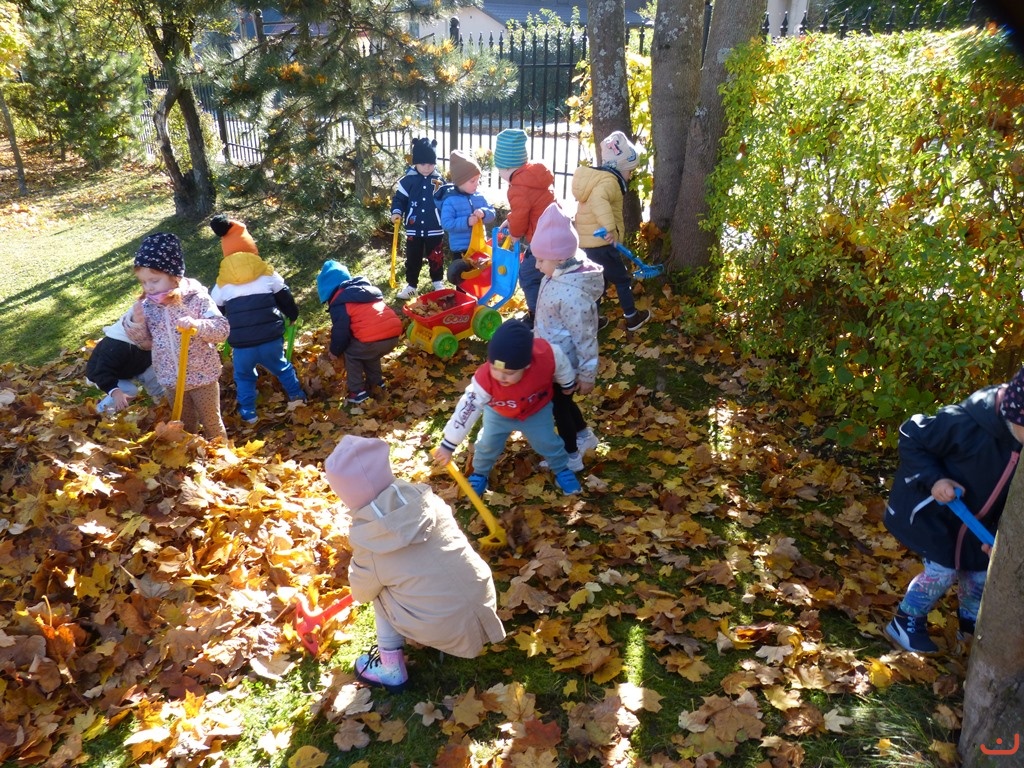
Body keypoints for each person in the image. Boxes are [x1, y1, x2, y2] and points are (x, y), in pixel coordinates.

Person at [323, 434, 506, 693]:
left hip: (443, 625)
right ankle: (464, 623)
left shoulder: (371, 542)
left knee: (378, 590)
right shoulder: (428, 499)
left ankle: (391, 667)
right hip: (482, 599)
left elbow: (361, 593)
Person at [882, 366, 1024, 653]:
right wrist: (935, 479)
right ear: (1014, 413)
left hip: (978, 525)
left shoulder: (1019, 441)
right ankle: (906, 619)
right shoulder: (965, 422)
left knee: (979, 574)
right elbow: (911, 435)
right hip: (938, 514)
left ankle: (970, 629)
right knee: (943, 570)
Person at [433, 318, 582, 496]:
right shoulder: (484, 379)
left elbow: (560, 362)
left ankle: (561, 469)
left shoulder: (546, 355)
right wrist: (449, 444)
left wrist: (567, 382)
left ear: (526, 365)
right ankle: (480, 473)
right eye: (495, 369)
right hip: (498, 413)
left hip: (535, 410)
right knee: (487, 444)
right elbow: (468, 408)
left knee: (547, 441)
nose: (501, 376)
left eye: (509, 373)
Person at [123, 232, 230, 440]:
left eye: (154, 280)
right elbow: (144, 343)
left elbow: (222, 330)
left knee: (211, 422)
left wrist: (197, 325)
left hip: (202, 376)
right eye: (143, 282)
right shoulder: (148, 306)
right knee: (183, 424)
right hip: (170, 378)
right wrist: (136, 323)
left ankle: (222, 454)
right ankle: (190, 454)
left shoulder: (197, 299)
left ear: (174, 276)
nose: (149, 287)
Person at [209, 214, 306, 425]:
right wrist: (292, 315)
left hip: (242, 344)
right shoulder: (267, 273)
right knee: (282, 367)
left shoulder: (222, 282)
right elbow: (285, 297)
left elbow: (216, 310)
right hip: (270, 337)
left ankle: (248, 412)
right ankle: (297, 396)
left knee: (244, 376)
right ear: (251, 247)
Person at [531, 203, 604, 473]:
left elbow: (585, 337)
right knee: (564, 402)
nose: (537, 265)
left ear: (560, 260)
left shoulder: (573, 294)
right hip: (550, 357)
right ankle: (584, 435)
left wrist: (587, 374)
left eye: (541, 260)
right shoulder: (556, 275)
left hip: (565, 365)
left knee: (558, 408)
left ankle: (571, 456)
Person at [572, 131, 651, 333]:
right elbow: (598, 200)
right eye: (629, 170)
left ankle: (592, 322)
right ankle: (632, 318)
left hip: (588, 243)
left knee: (598, 282)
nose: (630, 175)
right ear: (619, 167)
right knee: (622, 280)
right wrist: (608, 228)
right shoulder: (609, 182)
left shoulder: (599, 179)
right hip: (602, 244)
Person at [316, 260, 403, 405]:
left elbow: (341, 332)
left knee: (352, 353)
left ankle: (357, 392)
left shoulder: (340, 303)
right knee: (369, 352)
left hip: (374, 339)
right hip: (393, 335)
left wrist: (335, 350)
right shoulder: (363, 293)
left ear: (328, 292)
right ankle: (376, 383)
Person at [492, 128, 556, 323]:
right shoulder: (535, 177)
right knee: (548, 275)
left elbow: (521, 215)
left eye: (499, 169)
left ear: (507, 168)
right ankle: (551, 308)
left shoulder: (518, 188)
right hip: (556, 233)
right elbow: (529, 208)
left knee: (527, 275)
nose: (499, 173)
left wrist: (515, 232)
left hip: (541, 240)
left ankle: (538, 317)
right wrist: (510, 220)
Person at [391, 137, 445, 301]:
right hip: (414, 228)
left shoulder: (439, 181)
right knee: (413, 258)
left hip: (435, 227)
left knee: (436, 256)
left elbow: (446, 200)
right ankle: (411, 286)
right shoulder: (407, 181)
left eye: (430, 163)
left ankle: (437, 283)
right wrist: (397, 211)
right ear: (415, 163)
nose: (427, 167)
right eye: (422, 164)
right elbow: (399, 199)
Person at [86, 308, 164, 415]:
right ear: (138, 337)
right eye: (153, 340)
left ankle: (161, 398)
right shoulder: (115, 347)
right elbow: (102, 373)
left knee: (152, 373)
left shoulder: (147, 341)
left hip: (133, 365)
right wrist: (116, 392)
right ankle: (102, 412)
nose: (157, 343)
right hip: (103, 374)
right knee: (129, 390)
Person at [437, 149, 496, 283]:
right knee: (462, 278)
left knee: (480, 275)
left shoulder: (479, 197)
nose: (477, 184)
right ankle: (462, 295)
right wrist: (466, 222)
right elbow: (446, 223)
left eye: (478, 180)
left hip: (479, 246)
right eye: (472, 181)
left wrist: (484, 213)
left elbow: (492, 212)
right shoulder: (450, 201)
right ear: (460, 181)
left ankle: (479, 293)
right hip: (461, 249)